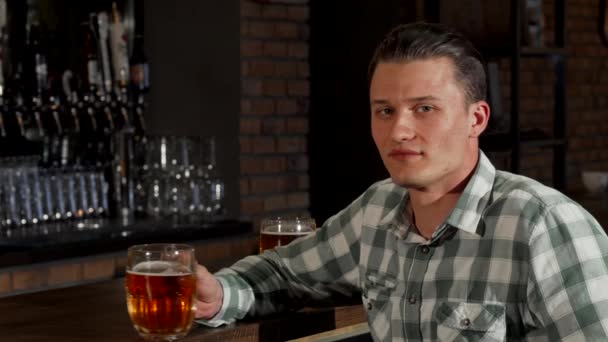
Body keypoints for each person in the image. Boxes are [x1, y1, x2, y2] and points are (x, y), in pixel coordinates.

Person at [194, 22, 608, 340]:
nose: (399, 131)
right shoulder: (377, 210)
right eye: (385, 111)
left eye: (424, 108)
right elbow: (285, 274)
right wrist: (220, 295)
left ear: (476, 119)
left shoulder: (546, 226)